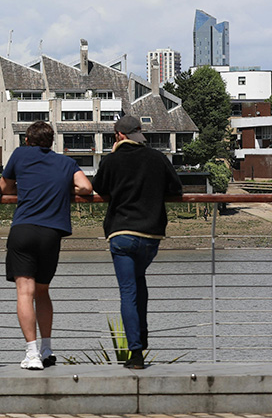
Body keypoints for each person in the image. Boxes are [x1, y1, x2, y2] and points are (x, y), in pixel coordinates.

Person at [91, 114, 183, 370]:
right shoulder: (157, 158)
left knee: (128, 291)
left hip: (121, 235)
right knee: (139, 283)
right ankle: (142, 340)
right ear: (138, 135)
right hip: (150, 236)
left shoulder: (112, 160)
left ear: (119, 135)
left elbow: (99, 188)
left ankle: (135, 353)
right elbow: (176, 189)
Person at [0, 120, 93, 370]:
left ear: (27, 140)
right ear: (52, 142)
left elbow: (4, 186)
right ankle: (47, 348)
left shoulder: (20, 154)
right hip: (51, 233)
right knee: (42, 291)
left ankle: (31, 354)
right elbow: (85, 187)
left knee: (24, 293)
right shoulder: (65, 162)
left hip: (24, 229)